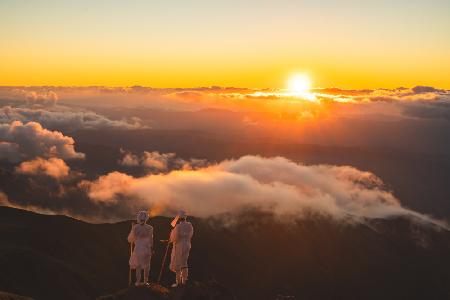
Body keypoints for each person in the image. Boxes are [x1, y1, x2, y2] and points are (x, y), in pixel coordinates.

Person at [128, 211, 154, 286]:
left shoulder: (136, 227)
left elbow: (130, 239)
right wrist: (152, 248)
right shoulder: (150, 228)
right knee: (147, 265)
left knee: (138, 265)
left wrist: (132, 229)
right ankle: (146, 281)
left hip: (138, 247)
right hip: (147, 247)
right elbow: (151, 239)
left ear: (139, 218)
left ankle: (138, 282)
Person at [169, 211, 194, 287]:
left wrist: (171, 236)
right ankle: (184, 280)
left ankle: (178, 282)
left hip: (179, 245)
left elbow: (174, 238)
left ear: (179, 218)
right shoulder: (190, 225)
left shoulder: (178, 227)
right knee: (184, 261)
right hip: (187, 245)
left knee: (178, 262)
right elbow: (190, 235)